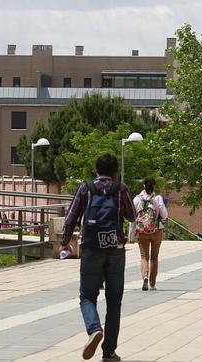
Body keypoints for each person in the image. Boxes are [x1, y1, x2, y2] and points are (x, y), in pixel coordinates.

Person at [61, 153, 136, 361]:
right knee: (114, 301)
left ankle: (94, 329)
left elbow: (71, 216)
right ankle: (109, 352)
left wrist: (65, 241)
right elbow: (132, 216)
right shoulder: (121, 189)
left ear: (96, 170)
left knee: (87, 296)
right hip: (115, 248)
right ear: (114, 171)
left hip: (91, 247)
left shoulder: (86, 188)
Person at [132, 177, 168, 291]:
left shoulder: (136, 199)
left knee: (144, 256)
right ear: (154, 186)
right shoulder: (158, 199)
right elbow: (165, 215)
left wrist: (131, 234)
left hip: (142, 231)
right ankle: (152, 283)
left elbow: (133, 217)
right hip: (156, 230)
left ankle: (145, 277)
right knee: (154, 257)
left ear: (143, 186)